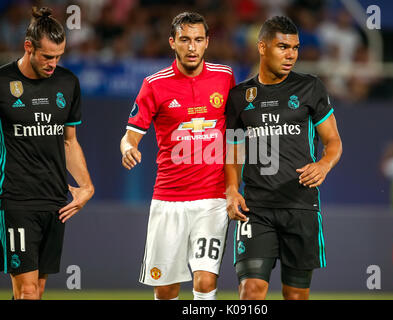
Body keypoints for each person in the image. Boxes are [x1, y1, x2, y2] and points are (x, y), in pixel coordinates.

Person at [225, 16, 342, 300]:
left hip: (300, 206)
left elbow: (333, 141)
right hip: (256, 209)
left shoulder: (311, 88)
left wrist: (324, 164)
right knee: (250, 292)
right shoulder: (240, 96)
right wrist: (230, 188)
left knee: (295, 296)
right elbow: (232, 149)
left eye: (295, 47)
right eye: (282, 47)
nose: (290, 54)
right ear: (262, 47)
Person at [120, 12, 235, 300]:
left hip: (212, 199)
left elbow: (236, 135)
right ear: (173, 42)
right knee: (166, 288)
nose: (192, 47)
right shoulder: (154, 84)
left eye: (198, 40)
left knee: (205, 281)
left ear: (208, 42)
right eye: (185, 40)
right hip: (169, 200)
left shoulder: (225, 77)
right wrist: (128, 148)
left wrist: (233, 187)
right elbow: (130, 135)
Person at [0, 7, 95, 300]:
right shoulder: (3, 82)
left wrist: (86, 187)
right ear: (29, 47)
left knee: (37, 290)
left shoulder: (67, 83)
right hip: (17, 199)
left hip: (55, 201)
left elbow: (69, 142)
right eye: (47, 57)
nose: (54, 63)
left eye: (59, 56)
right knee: (27, 291)